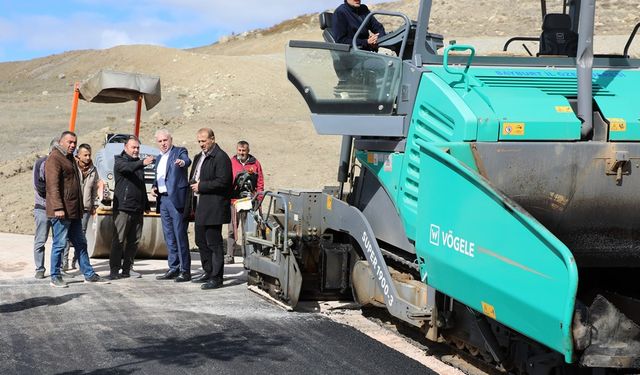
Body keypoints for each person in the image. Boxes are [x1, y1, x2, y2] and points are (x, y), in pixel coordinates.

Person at [45, 131, 109, 287]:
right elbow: (52, 186)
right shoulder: (54, 158)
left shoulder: (70, 159)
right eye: (69, 142)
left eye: (74, 142)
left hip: (74, 211)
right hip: (61, 211)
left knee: (81, 243)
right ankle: (55, 275)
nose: (72, 145)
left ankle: (88, 274)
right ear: (61, 142)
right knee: (60, 244)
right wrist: (58, 207)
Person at [186, 128, 232, 290]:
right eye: (199, 141)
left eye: (204, 141)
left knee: (214, 243)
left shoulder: (221, 157)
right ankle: (208, 271)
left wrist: (201, 186)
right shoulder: (200, 157)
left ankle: (216, 278)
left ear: (212, 139)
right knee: (201, 241)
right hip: (200, 206)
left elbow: (223, 182)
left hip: (214, 207)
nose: (201, 144)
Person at [109, 135, 153, 280]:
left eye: (138, 148)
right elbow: (128, 169)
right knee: (119, 240)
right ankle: (114, 270)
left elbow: (140, 185)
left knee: (134, 241)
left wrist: (146, 204)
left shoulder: (138, 164)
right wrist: (142, 162)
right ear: (125, 148)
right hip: (123, 207)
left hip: (137, 208)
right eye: (133, 147)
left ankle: (127, 269)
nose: (135, 150)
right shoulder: (120, 161)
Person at [152, 129, 192, 282]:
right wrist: (155, 186)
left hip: (176, 199)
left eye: (165, 140)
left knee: (179, 234)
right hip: (163, 200)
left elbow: (186, 160)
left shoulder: (179, 152)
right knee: (169, 235)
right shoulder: (158, 158)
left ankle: (185, 270)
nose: (163, 144)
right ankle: (173, 267)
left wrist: (182, 162)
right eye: (160, 141)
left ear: (170, 139)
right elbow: (160, 178)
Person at [225, 140, 264, 264]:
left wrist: (258, 199)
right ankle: (230, 255)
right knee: (231, 229)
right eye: (239, 150)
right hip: (233, 201)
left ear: (248, 151)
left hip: (248, 201)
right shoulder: (231, 162)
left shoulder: (255, 164)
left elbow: (260, 183)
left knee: (247, 230)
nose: (241, 153)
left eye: (244, 151)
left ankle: (247, 256)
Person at [70, 143, 102, 269]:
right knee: (67, 236)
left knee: (81, 235)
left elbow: (95, 188)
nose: (88, 157)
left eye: (89, 155)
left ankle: (77, 260)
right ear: (78, 155)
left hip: (85, 208)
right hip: (72, 207)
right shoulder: (72, 166)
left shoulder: (93, 170)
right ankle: (64, 262)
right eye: (85, 155)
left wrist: (94, 204)